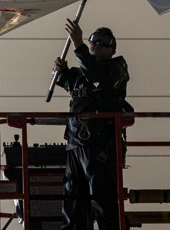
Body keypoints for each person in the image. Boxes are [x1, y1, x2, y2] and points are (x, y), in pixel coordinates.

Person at [52, 20, 130, 230]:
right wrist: (61, 71)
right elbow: (69, 81)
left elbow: (98, 78)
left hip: (100, 146)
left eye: (105, 42)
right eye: (93, 40)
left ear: (113, 50)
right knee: (73, 202)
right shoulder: (83, 73)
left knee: (102, 202)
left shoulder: (116, 69)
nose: (97, 44)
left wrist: (78, 44)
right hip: (76, 145)